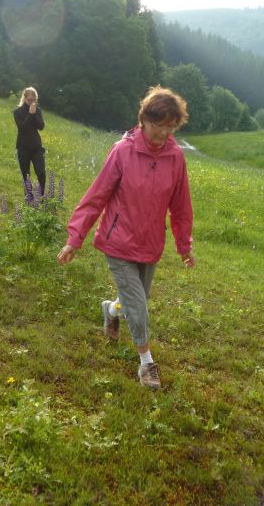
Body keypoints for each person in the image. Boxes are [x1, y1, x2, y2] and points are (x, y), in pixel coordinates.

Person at [57, 86, 195, 390]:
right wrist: (74, 238)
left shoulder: (175, 158)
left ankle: (109, 310)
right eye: (158, 125)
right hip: (117, 241)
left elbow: (181, 206)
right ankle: (146, 363)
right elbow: (96, 196)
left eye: (171, 126)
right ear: (144, 119)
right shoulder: (123, 151)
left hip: (150, 244)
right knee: (139, 306)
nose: (163, 132)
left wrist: (185, 245)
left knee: (137, 301)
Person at [13, 87, 46, 191]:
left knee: (41, 172)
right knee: (26, 175)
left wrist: (35, 114)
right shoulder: (17, 112)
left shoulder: (38, 110)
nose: (31, 102)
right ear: (25, 98)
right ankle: (29, 198)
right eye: (29, 100)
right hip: (23, 147)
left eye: (33, 100)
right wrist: (30, 114)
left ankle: (41, 196)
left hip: (36, 147)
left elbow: (41, 126)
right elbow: (22, 128)